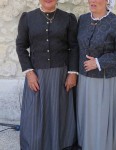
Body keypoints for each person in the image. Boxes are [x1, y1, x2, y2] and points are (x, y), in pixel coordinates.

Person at [16, 0, 78, 149]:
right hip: (37, 75)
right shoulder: (28, 18)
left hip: (61, 75)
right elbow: (21, 46)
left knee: (60, 112)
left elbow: (74, 47)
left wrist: (73, 73)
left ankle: (61, 144)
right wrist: (29, 72)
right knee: (35, 113)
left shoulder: (68, 18)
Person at [77, 0, 116, 150]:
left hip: (107, 80)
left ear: (108, 1)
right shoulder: (83, 19)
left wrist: (99, 62)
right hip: (85, 79)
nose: (92, 1)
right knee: (89, 116)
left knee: (101, 116)